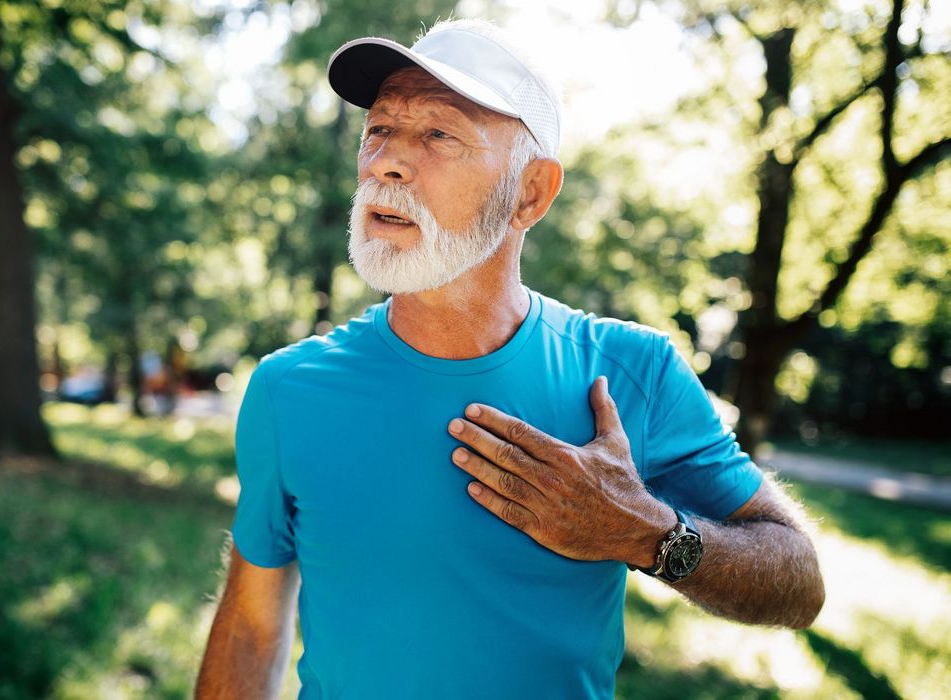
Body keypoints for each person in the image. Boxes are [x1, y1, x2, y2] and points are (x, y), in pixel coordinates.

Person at [196, 18, 824, 700]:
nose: (386, 162)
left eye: (438, 134)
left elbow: (800, 584)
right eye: (379, 129)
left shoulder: (629, 373)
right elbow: (250, 630)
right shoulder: (289, 389)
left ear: (531, 193)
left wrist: (646, 533)